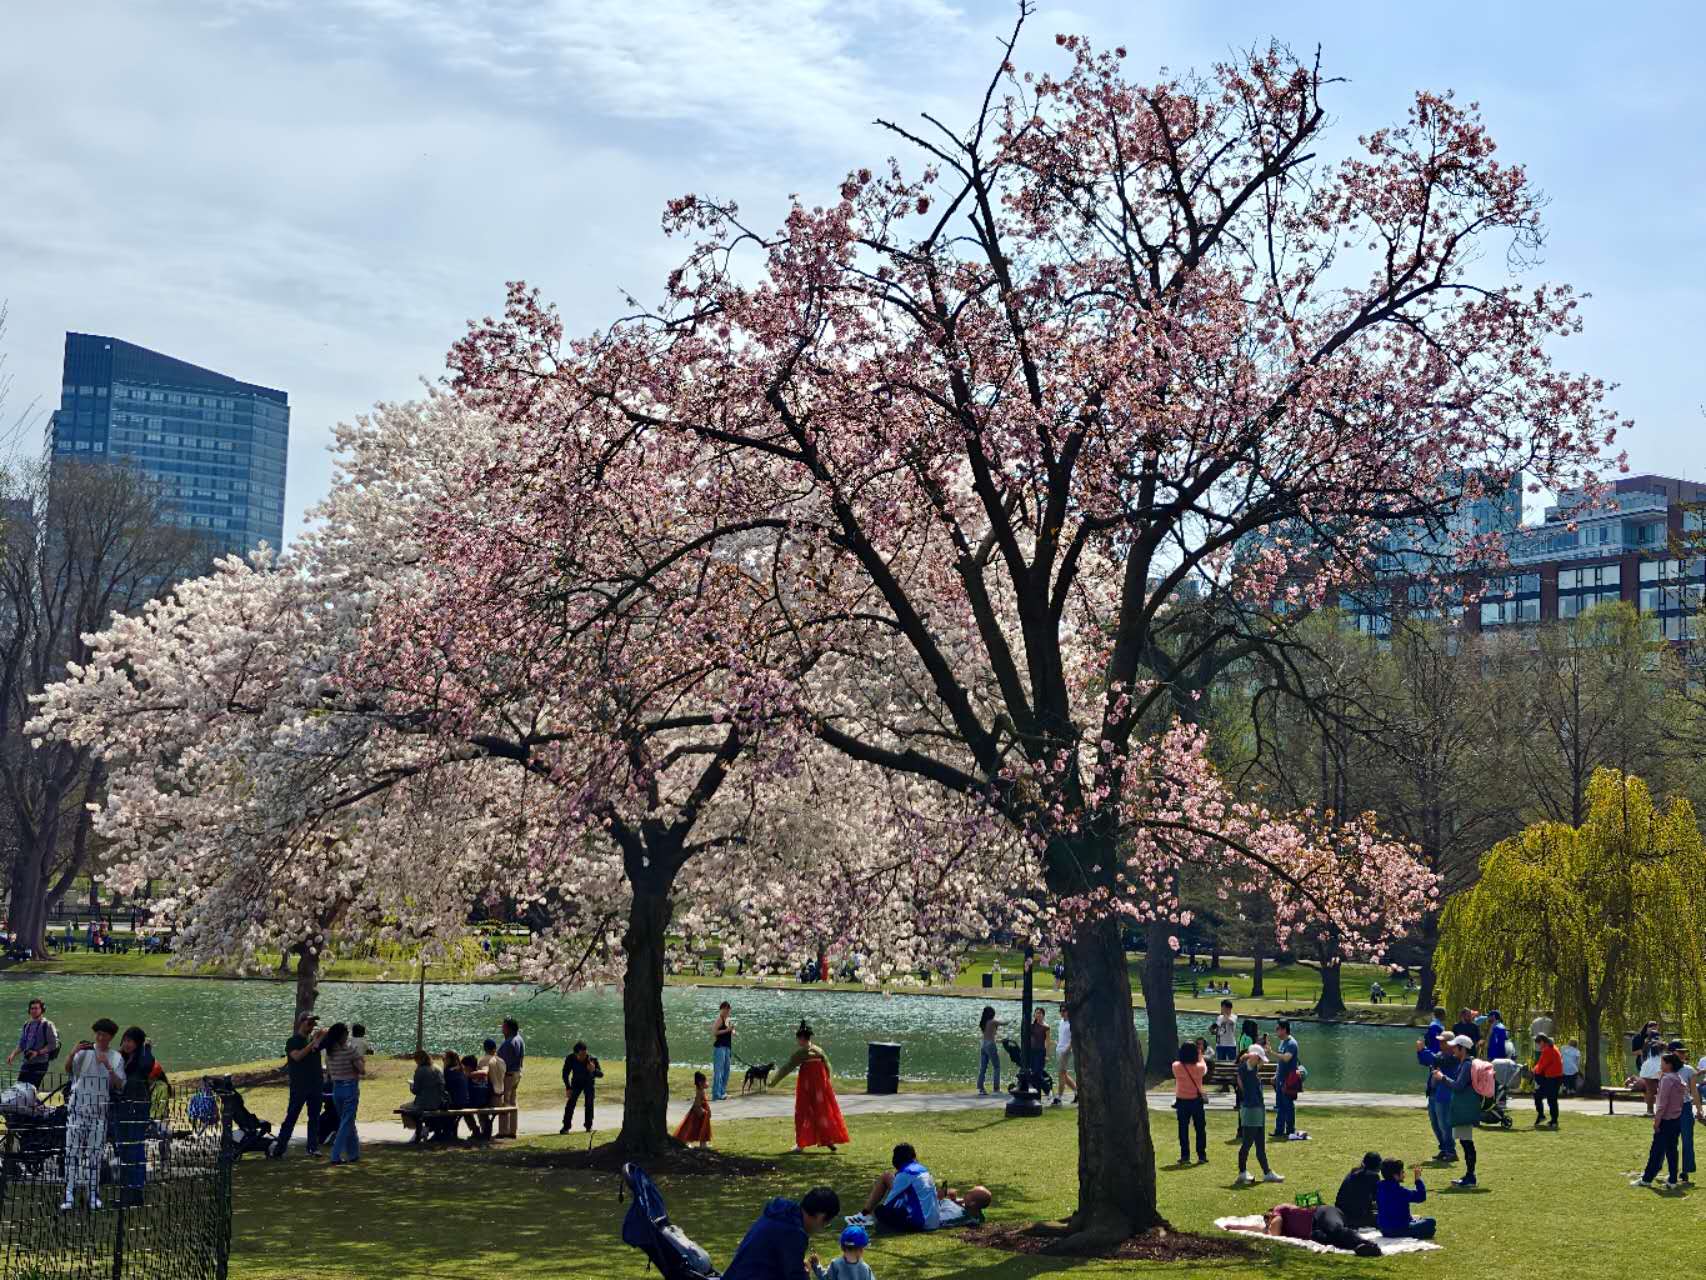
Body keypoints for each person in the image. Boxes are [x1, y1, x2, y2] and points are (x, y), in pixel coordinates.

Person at [61, 1018, 125, 1211]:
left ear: (111, 1037)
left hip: (99, 1112)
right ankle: (69, 1194)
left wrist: (108, 1066)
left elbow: (120, 1084)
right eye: (97, 1034)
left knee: (95, 1154)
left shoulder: (116, 1057)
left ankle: (93, 1193)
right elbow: (68, 1070)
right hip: (77, 1109)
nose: (99, 1037)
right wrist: (73, 1053)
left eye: (103, 1035)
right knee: (71, 1153)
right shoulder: (85, 1053)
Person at [723, 1186, 841, 1280]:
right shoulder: (793, 1232)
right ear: (821, 1217)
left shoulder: (780, 1215)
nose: (820, 1229)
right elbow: (795, 1276)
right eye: (825, 1224)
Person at [773, 1021, 850, 1154]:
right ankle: (829, 1140)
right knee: (823, 1112)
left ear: (802, 1038)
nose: (798, 1041)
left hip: (807, 1087)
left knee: (803, 1112)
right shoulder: (819, 1050)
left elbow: (787, 1067)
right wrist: (828, 1082)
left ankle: (801, 1144)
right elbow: (828, 1066)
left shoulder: (803, 1052)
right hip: (821, 1088)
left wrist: (773, 1081)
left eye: (798, 1039)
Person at [1230, 1202, 1379, 1256]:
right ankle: (1360, 1248)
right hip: (1312, 1232)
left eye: (1267, 1218)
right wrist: (1235, 1227)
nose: (1267, 1221)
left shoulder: (1279, 1211)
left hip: (1321, 1213)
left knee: (1335, 1229)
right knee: (1330, 1240)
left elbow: (1274, 1230)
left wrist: (1270, 1228)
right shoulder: (1274, 1224)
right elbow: (1258, 1229)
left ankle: (1370, 1244)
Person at [272, 1012, 326, 1158]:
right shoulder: (293, 1041)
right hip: (299, 1086)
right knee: (291, 1117)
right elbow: (297, 1056)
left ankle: (313, 1148)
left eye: (313, 1024)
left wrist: (320, 1038)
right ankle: (280, 1148)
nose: (312, 1026)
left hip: (316, 1085)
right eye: (309, 1023)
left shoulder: (314, 1042)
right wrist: (312, 1043)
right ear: (301, 1023)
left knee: (314, 1117)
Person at [1632, 1051, 1687, 1189]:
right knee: (1672, 1150)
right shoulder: (1678, 1078)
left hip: (1666, 1120)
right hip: (1676, 1119)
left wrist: (1657, 1121)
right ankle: (1673, 1180)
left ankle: (1647, 1179)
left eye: (1662, 1062)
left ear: (1668, 1065)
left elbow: (1662, 1104)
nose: (1660, 1064)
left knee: (1656, 1150)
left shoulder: (1667, 1079)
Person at [1433, 1034, 1481, 1188]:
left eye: (1455, 1047)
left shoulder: (1467, 1065)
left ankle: (1470, 1177)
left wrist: (1442, 1078)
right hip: (1465, 1107)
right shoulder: (1467, 1063)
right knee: (1466, 1142)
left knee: (1467, 1143)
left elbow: (1459, 1086)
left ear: (1462, 1049)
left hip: (1464, 1109)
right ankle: (1469, 1175)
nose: (1453, 1049)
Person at [114, 1026, 155, 1205]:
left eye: (131, 1041)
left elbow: (147, 1067)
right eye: (125, 1040)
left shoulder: (143, 1059)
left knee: (135, 1148)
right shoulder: (121, 1059)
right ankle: (126, 1189)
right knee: (122, 1147)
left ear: (138, 1043)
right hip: (121, 1107)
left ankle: (136, 1190)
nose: (127, 1044)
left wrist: (146, 1048)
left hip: (137, 1107)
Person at [863, 1142, 940, 1230]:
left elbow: (888, 1203)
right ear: (914, 1156)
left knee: (880, 1211)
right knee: (887, 1177)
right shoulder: (923, 1170)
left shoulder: (905, 1173)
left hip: (922, 1225)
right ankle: (864, 1214)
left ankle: (864, 1215)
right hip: (934, 1222)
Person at [1234, 1046, 1282, 1186]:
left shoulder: (1254, 1069)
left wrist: (1263, 1051)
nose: (1261, 1062)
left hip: (1258, 1110)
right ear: (1253, 1056)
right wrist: (1253, 1055)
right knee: (1247, 1144)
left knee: (1260, 1145)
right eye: (1259, 1058)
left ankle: (1267, 1173)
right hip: (1251, 1111)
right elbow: (1246, 1070)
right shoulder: (1245, 1068)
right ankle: (1242, 1173)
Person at [323, 1022, 364, 1165]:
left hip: (337, 1089)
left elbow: (329, 1072)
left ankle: (354, 1153)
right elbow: (361, 1069)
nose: (347, 1035)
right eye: (346, 1033)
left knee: (348, 1121)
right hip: (350, 1088)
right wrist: (360, 1061)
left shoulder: (329, 1053)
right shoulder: (349, 1051)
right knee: (346, 1123)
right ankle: (335, 1155)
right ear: (341, 1036)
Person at [1416, 1030, 1457, 1163]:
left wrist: (1423, 1050)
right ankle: (1444, 1149)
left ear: (1451, 1043)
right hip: (1434, 1094)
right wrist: (1420, 1052)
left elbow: (1434, 1059)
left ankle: (1451, 1152)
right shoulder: (1441, 1054)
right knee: (1435, 1124)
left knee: (1444, 1124)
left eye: (1442, 1041)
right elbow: (1425, 1061)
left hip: (1444, 1095)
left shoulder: (1453, 1057)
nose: (1440, 1043)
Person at [7, 997, 59, 1088]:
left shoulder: (48, 1025)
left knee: (31, 1088)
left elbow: (53, 1045)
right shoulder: (27, 1025)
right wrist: (13, 1055)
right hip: (27, 1062)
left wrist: (37, 1052)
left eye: (36, 1008)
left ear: (42, 1010)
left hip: (40, 1063)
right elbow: (22, 1044)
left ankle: (32, 1101)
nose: (34, 1010)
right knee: (19, 1087)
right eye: (32, 1008)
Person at [1376, 1159, 1434, 1238]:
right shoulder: (1400, 1191)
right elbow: (1421, 1196)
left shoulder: (1379, 1187)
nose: (1404, 1174)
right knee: (1431, 1222)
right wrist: (1418, 1179)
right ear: (1395, 1175)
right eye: (1402, 1172)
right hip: (1398, 1229)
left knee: (1417, 1217)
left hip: (1383, 1229)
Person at [1171, 1041, 1208, 1165]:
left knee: (1183, 1129)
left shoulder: (1176, 1066)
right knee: (1200, 1129)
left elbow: (1177, 1063)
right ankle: (1201, 1155)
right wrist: (1200, 1055)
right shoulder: (1200, 1068)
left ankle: (1185, 1156)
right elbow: (1205, 1068)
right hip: (1196, 1101)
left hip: (1181, 1100)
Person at [561, 1041, 601, 1135]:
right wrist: (568, 1087)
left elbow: (601, 1074)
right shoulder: (570, 1058)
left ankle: (588, 1126)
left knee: (589, 1105)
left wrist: (594, 1070)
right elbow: (565, 1073)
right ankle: (566, 1127)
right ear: (576, 1054)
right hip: (576, 1083)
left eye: (585, 1053)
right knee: (570, 1104)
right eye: (581, 1054)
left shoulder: (592, 1059)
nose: (584, 1056)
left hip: (589, 1083)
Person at [1334, 1151, 1383, 1230]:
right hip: (1354, 1218)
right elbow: (1379, 1199)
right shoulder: (1373, 1177)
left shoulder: (1353, 1171)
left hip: (1340, 1213)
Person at [810, 1224, 874, 1280]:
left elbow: (826, 1278)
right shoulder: (865, 1268)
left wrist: (816, 1265)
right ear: (861, 1250)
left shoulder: (836, 1264)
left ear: (842, 1247)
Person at [1272, 1020, 1300, 1139]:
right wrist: (1275, 1075)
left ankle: (1290, 1130)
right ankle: (1279, 1130)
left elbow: (1287, 1058)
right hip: (1280, 1079)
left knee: (1288, 1105)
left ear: (1284, 1029)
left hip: (1289, 1079)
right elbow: (1280, 1062)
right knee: (1280, 1105)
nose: (1276, 1031)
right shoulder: (1283, 1043)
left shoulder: (1291, 1043)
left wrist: (1271, 1052)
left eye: (1278, 1028)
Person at [496, 1017, 524, 1139]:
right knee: (513, 1102)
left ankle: (503, 1131)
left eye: (504, 1026)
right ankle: (513, 1130)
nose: (502, 1029)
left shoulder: (509, 1043)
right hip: (517, 1072)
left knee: (504, 1102)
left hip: (509, 1074)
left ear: (508, 1028)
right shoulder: (519, 1039)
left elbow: (504, 1063)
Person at [1531, 1033, 1563, 1128]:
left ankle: (1553, 1121)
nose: (1538, 1045)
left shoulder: (1547, 1050)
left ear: (1542, 1041)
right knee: (1539, 1095)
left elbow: (1541, 1067)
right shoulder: (1551, 1048)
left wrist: (1533, 1070)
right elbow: (1541, 1064)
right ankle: (1544, 1116)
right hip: (1554, 1077)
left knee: (1551, 1099)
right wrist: (1535, 1068)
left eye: (1538, 1043)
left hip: (1552, 1078)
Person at [675, 1070, 713, 1148]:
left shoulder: (701, 1090)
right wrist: (703, 1111)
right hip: (698, 1113)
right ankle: (688, 1142)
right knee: (692, 1127)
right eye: (705, 1081)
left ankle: (703, 1144)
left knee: (702, 1128)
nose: (707, 1083)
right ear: (700, 1083)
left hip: (701, 1111)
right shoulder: (700, 1092)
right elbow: (697, 1104)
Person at [480, 1036, 507, 1135]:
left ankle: (484, 1130)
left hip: (491, 1099)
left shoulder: (484, 1060)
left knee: (478, 1104)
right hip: (500, 1098)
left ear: (485, 1048)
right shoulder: (502, 1061)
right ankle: (486, 1128)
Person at [712, 1001, 735, 1102]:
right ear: (721, 1009)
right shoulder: (719, 1019)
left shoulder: (728, 1019)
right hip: (720, 1047)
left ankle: (722, 1092)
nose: (726, 1012)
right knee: (719, 1071)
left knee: (726, 1070)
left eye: (728, 1010)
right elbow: (714, 1032)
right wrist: (727, 1030)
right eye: (725, 1009)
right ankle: (716, 1094)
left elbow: (731, 1029)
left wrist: (733, 1031)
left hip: (727, 1047)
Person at [1053, 1008, 1075, 1106]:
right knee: (1064, 1074)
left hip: (1066, 1051)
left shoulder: (1071, 1023)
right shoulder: (1061, 1022)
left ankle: (1059, 1097)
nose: (1062, 1013)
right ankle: (1077, 1092)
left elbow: (1073, 1039)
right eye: (1061, 1011)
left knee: (1061, 1074)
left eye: (1064, 1011)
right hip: (1059, 1050)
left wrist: (1067, 1050)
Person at [1635, 1039, 1664, 1115]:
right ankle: (1656, 1110)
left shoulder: (1649, 1047)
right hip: (1657, 1068)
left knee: (1650, 1091)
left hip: (1648, 1069)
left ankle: (1650, 1110)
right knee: (1656, 1091)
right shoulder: (1659, 1048)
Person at [976, 1006, 1000, 1096]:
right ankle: (996, 1088)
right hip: (990, 1045)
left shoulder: (983, 1022)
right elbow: (1004, 1023)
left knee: (983, 1068)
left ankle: (981, 1088)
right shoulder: (993, 1022)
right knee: (996, 1067)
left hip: (983, 1044)